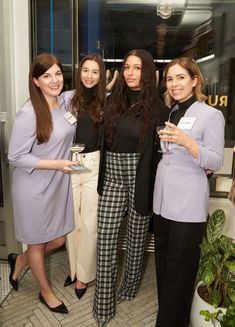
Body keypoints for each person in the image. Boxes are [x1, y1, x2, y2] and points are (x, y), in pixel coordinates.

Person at [93, 49, 168, 327]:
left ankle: (129, 287)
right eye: (127, 67)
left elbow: (164, 150)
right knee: (106, 237)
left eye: (137, 68)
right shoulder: (113, 101)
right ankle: (103, 305)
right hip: (112, 173)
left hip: (140, 175)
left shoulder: (159, 108)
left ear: (147, 72)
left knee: (137, 239)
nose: (131, 72)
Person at [152, 57, 225, 327]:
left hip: (187, 204)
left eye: (180, 77)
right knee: (163, 267)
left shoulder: (211, 115)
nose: (174, 84)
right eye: (170, 79)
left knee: (180, 273)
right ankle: (173, 319)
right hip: (162, 202)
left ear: (195, 80)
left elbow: (216, 161)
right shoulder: (171, 112)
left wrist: (188, 143)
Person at [7, 53, 77, 314]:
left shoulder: (65, 101)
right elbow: (15, 156)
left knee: (58, 239)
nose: (54, 80)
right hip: (33, 187)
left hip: (57, 184)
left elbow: (88, 90)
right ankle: (46, 293)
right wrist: (57, 164)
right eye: (46, 76)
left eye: (58, 73)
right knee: (37, 243)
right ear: (36, 81)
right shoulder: (29, 113)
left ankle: (21, 261)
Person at [63, 53, 106, 299]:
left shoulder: (107, 102)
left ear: (101, 76)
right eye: (85, 70)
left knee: (90, 223)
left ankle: (83, 276)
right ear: (79, 73)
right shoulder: (66, 99)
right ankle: (72, 269)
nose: (89, 75)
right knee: (72, 223)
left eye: (95, 72)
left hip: (93, 164)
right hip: (71, 163)